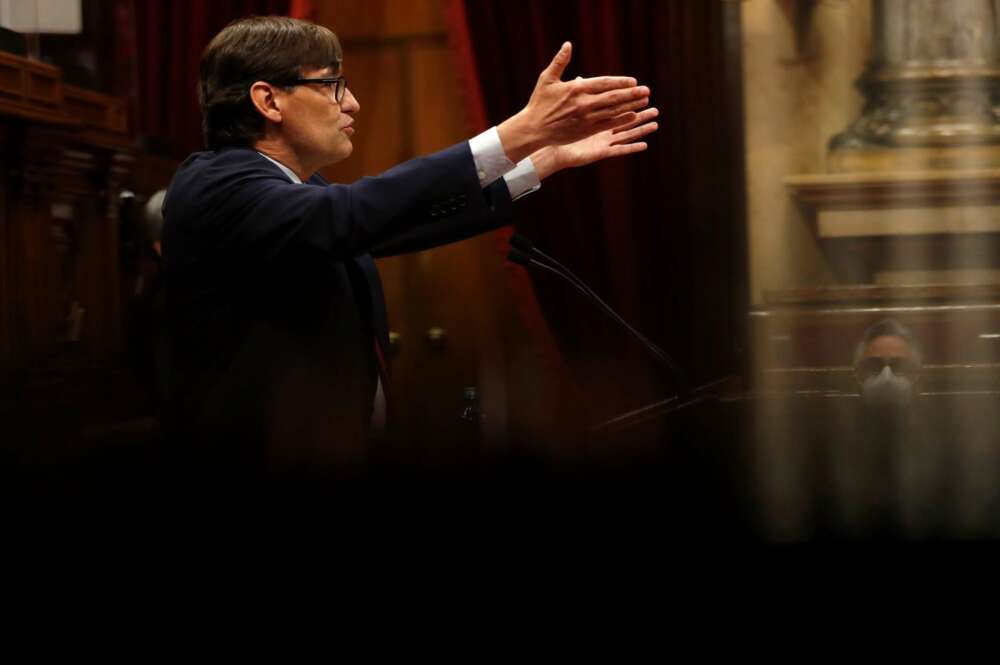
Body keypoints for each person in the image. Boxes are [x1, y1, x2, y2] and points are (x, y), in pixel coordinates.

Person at [160, 16, 658, 506]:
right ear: (268, 100)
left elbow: (397, 224)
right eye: (333, 85)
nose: (351, 103)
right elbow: (350, 215)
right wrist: (514, 134)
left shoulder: (298, 189)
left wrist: (536, 163)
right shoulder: (215, 184)